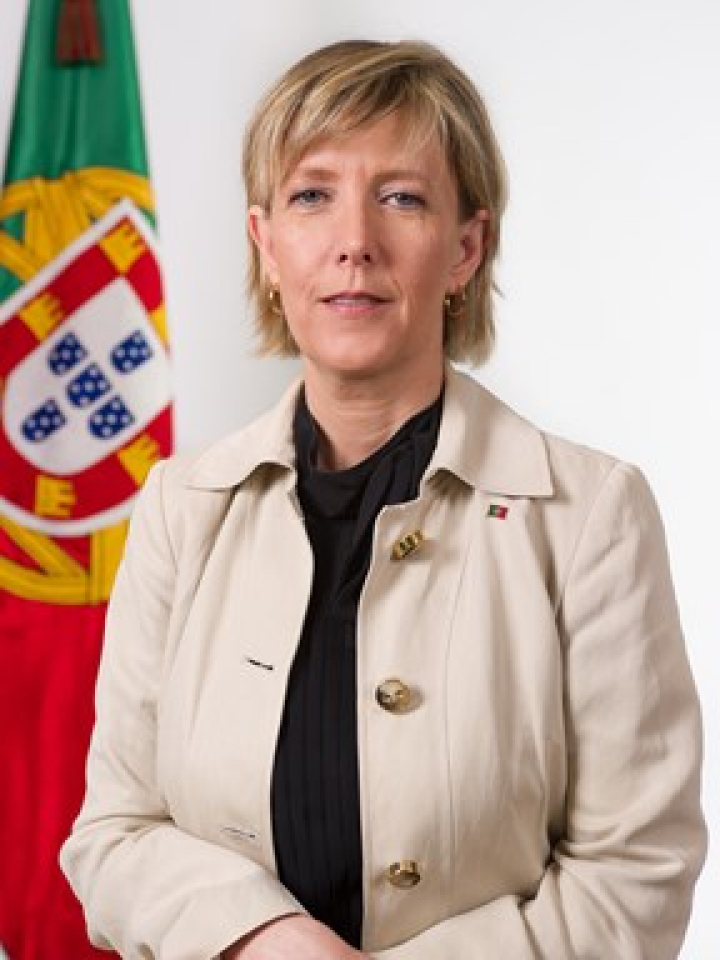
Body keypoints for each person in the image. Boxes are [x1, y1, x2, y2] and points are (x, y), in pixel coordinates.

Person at [60, 40, 706, 959]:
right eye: (311, 196)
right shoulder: (180, 507)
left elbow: (636, 877)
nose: (354, 240)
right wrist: (264, 938)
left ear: (466, 249)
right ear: (266, 246)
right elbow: (115, 835)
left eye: (401, 197)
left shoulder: (590, 516)